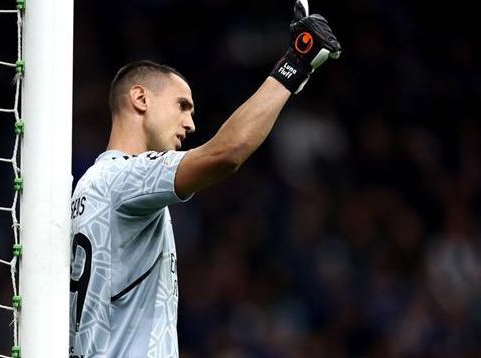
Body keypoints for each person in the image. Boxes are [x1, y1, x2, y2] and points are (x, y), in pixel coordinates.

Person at [68, 1, 341, 356]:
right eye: (182, 105)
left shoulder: (87, 188)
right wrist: (295, 62)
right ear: (140, 98)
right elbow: (225, 153)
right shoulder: (125, 177)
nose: (191, 124)